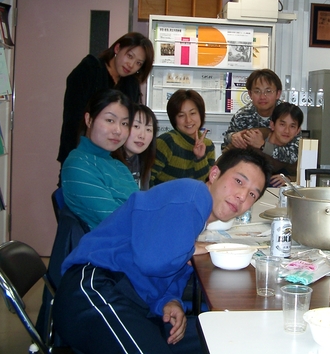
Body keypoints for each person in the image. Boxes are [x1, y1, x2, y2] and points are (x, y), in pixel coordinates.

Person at [54, 148, 272, 354]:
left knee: (219, 340)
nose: (242, 196)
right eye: (238, 181)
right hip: (95, 289)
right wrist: (190, 250)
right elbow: (152, 261)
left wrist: (170, 301)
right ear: (214, 174)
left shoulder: (196, 217)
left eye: (252, 194)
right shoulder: (193, 194)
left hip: (134, 301)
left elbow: (165, 272)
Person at [57, 32, 154, 166]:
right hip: (80, 150)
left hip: (114, 158)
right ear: (117, 48)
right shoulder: (90, 69)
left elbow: (129, 121)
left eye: (138, 63)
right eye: (129, 56)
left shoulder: (131, 84)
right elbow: (74, 116)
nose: (131, 65)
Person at [61, 89, 139, 230]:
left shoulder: (118, 165)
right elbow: (116, 220)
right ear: (89, 120)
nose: (118, 130)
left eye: (124, 124)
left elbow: (139, 208)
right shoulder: (78, 165)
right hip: (114, 242)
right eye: (110, 120)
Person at [221, 69, 299, 164]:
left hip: (281, 169)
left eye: (268, 91)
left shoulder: (288, 114)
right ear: (250, 94)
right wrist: (232, 137)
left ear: (278, 94)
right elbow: (225, 146)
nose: (262, 97)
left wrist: (263, 146)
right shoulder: (242, 116)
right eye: (257, 91)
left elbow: (295, 154)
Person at [149, 89, 215, 186]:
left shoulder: (208, 145)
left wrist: (200, 158)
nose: (188, 120)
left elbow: (206, 186)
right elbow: (147, 180)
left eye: (192, 113)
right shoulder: (167, 142)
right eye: (181, 115)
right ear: (174, 119)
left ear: (201, 114)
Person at [237, 102, 303, 188]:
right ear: (272, 125)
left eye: (292, 126)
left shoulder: (296, 149)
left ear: (298, 131)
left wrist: (289, 179)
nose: (287, 131)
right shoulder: (254, 136)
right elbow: (226, 159)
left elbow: (305, 176)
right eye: (282, 124)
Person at [117, 104, 158, 190]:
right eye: (136, 126)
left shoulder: (143, 161)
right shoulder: (109, 162)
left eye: (148, 129)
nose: (142, 135)